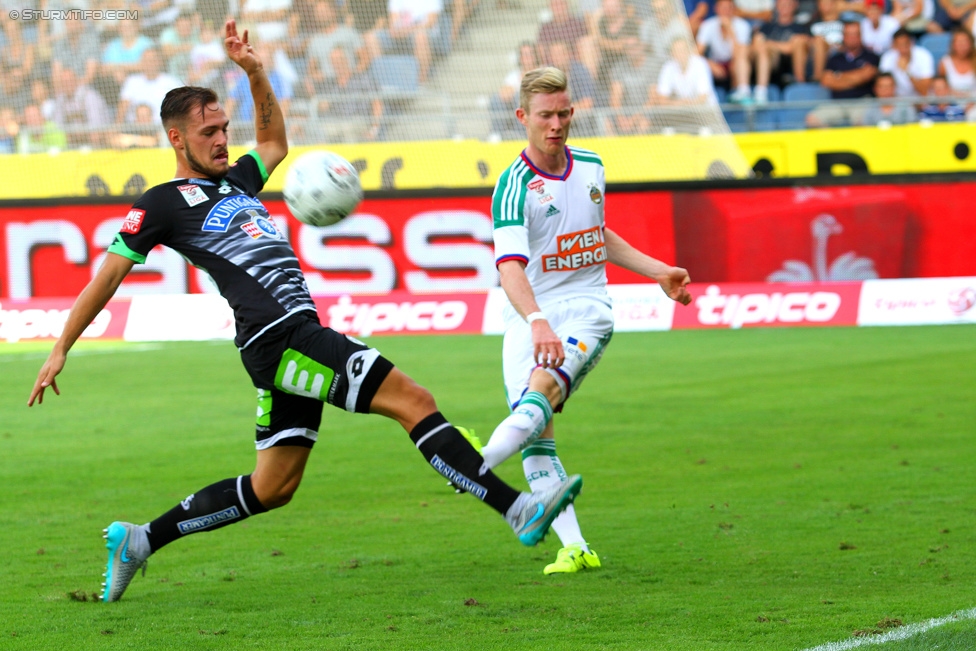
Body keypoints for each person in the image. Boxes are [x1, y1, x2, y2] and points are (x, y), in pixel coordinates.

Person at [28, 19, 582, 603]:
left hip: (288, 340)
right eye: (208, 132)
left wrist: (255, 73)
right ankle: (518, 508)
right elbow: (108, 275)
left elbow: (273, 145)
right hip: (282, 338)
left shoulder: (239, 180)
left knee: (274, 486)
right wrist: (62, 345)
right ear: (175, 138)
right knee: (413, 401)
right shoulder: (162, 204)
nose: (222, 140)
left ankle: (140, 540)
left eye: (223, 127)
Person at [480, 66, 692, 575]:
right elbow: (509, 269)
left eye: (562, 113)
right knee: (537, 436)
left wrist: (658, 271)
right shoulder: (513, 186)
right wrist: (535, 321)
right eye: (544, 116)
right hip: (529, 315)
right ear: (522, 118)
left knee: (535, 404)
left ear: (572, 112)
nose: (555, 124)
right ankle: (574, 546)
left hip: (586, 310)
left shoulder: (592, 165)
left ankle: (472, 462)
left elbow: (598, 235)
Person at [806, 20, 880, 126]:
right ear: (843, 37)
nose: (852, 38)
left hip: (862, 101)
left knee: (863, 120)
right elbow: (826, 81)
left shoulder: (871, 56)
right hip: (838, 103)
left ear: (861, 35)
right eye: (849, 34)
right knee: (812, 119)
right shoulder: (835, 59)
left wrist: (838, 77)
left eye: (855, 34)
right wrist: (857, 77)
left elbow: (867, 75)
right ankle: (834, 143)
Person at [697, 0, 755, 102]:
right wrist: (710, 64)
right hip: (716, 62)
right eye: (723, 8)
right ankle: (701, 98)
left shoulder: (743, 25)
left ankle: (742, 92)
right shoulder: (707, 25)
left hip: (735, 61)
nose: (726, 11)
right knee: (700, 64)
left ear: (734, 9)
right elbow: (697, 53)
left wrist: (730, 31)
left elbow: (740, 54)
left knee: (738, 62)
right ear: (716, 9)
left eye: (729, 8)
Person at [753, 0, 810, 102]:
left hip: (789, 69)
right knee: (762, 51)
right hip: (769, 66)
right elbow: (756, 46)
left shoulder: (801, 28)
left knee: (798, 42)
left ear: (795, 6)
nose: (785, 7)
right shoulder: (767, 27)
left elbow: (792, 48)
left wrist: (770, 44)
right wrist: (778, 47)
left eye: (788, 4)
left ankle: (800, 85)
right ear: (776, 6)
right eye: (782, 4)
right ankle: (760, 93)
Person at [651, 37, 719, 105]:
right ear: (671, 53)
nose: (680, 54)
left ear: (689, 51)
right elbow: (661, 98)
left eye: (682, 50)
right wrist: (680, 103)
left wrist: (682, 104)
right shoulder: (668, 67)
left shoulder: (700, 64)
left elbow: (703, 97)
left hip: (706, 110)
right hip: (683, 111)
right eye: (676, 51)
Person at [879, 28, 934, 96]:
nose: (903, 49)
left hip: (919, 101)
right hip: (896, 102)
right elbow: (883, 89)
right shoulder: (887, 58)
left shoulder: (923, 56)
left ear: (911, 43)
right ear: (893, 45)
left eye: (905, 45)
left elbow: (924, 91)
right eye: (899, 45)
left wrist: (908, 72)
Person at [938, 27, 976, 94]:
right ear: (953, 44)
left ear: (971, 44)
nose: (962, 46)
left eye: (965, 42)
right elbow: (941, 89)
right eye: (959, 42)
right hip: (952, 103)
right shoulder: (945, 63)